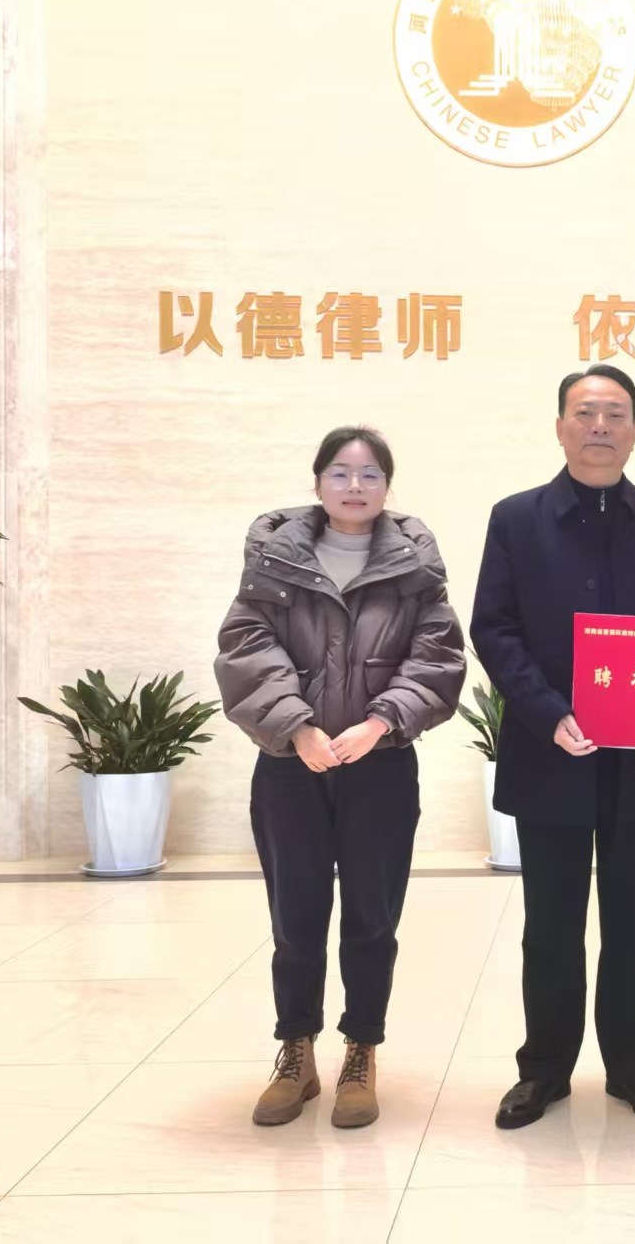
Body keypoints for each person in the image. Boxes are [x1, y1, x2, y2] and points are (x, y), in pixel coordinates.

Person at [471, 363, 635, 1129]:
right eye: (585, 412)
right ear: (560, 426)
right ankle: (543, 1069)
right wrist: (547, 712)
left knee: (633, 920)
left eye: (615, 413)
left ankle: (633, 1068)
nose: (600, 426)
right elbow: (493, 628)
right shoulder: (516, 520)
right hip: (552, 754)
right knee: (550, 923)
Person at [215, 426, 465, 1129]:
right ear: (318, 481)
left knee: (371, 919)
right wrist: (298, 727)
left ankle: (361, 1052)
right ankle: (296, 1053)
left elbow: (438, 654)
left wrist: (380, 722)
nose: (355, 486)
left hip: (379, 765)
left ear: (387, 486)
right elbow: (246, 646)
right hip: (289, 765)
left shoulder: (414, 563)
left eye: (369, 475)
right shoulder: (275, 556)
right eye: (340, 473)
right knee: (295, 917)